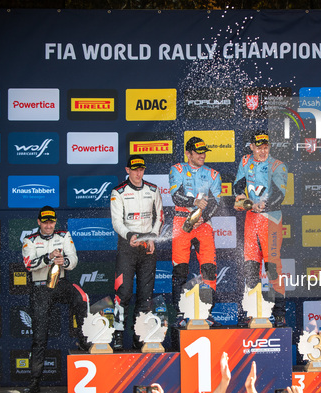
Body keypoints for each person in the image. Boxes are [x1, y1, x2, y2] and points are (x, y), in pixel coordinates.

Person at [22, 206, 89, 393]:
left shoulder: (64, 235)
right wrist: (49, 257)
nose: (49, 225)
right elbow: (29, 265)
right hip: (41, 288)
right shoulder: (30, 240)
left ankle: (83, 340)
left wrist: (63, 262)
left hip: (59, 283)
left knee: (80, 299)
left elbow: (73, 260)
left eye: (51, 221)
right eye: (45, 222)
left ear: (55, 222)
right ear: (39, 222)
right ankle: (34, 383)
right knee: (39, 338)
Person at [233, 130, 288, 327]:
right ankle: (252, 311)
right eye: (259, 148)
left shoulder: (277, 166)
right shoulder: (245, 161)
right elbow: (238, 185)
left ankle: (279, 313)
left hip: (270, 218)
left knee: (272, 267)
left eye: (266, 148)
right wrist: (240, 197)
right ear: (252, 147)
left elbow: (279, 195)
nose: (263, 151)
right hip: (251, 218)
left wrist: (262, 205)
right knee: (250, 266)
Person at [110, 155, 164, 350]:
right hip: (127, 247)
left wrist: (153, 236)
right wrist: (130, 235)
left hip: (147, 248)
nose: (138, 173)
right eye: (134, 169)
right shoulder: (118, 192)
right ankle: (117, 334)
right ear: (127, 170)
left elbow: (160, 217)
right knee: (122, 293)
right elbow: (117, 222)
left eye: (141, 169)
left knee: (145, 295)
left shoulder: (153, 189)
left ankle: (139, 336)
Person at [169, 136, 221, 327]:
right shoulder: (178, 169)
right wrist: (194, 203)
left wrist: (203, 219)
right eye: (198, 152)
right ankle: (180, 313)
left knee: (209, 268)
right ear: (188, 154)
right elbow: (176, 196)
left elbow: (216, 202)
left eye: (204, 152)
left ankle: (207, 311)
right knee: (180, 270)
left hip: (203, 225)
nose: (202, 155)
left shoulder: (213, 174)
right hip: (182, 222)